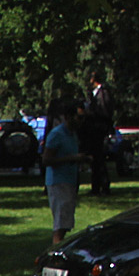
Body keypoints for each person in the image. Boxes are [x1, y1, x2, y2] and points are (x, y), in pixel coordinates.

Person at [41, 98, 83, 246]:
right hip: (58, 183)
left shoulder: (73, 134)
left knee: (65, 224)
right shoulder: (56, 134)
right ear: (68, 117)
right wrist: (71, 158)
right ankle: (55, 255)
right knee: (60, 225)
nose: (81, 121)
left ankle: (60, 251)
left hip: (70, 181)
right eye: (79, 117)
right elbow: (46, 160)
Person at [82, 72, 117, 196]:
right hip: (95, 130)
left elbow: (104, 112)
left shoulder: (103, 94)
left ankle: (103, 186)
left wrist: (90, 113)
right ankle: (96, 186)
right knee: (95, 160)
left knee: (99, 159)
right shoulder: (96, 94)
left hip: (99, 130)